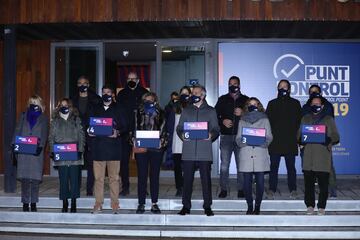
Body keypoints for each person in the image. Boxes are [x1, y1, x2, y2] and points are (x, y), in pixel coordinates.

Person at [176, 85, 220, 216]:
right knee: (187, 180)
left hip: (204, 151)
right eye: (193, 92)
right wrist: (182, 135)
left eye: (196, 93)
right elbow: (179, 128)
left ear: (203, 95)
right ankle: (186, 206)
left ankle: (207, 206)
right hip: (188, 150)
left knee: (206, 181)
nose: (194, 94)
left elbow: (216, 129)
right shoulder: (186, 110)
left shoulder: (211, 111)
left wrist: (210, 135)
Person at [89, 85, 128, 214]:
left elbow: (125, 126)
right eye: (104, 92)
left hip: (114, 149)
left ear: (113, 94)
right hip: (98, 148)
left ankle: (115, 203)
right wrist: (89, 131)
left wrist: (117, 132)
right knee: (98, 178)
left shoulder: (120, 108)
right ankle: (98, 203)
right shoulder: (95, 108)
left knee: (114, 178)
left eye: (108, 92)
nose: (106, 94)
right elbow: (88, 125)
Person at [298, 96, 340, 215]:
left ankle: (321, 206)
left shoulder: (328, 119)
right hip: (308, 157)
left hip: (322, 157)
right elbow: (298, 135)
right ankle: (310, 205)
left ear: (322, 106)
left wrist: (328, 139)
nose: (315, 105)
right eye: (313, 104)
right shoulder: (305, 118)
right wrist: (301, 140)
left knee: (323, 185)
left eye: (318, 104)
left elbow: (336, 136)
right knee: (309, 185)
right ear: (310, 105)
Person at [235, 98, 273, 215]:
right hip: (246, 153)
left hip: (260, 153)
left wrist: (263, 143)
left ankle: (258, 206)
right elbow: (238, 138)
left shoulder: (265, 119)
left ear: (259, 106)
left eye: (255, 104)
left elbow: (269, 137)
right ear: (247, 106)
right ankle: (249, 205)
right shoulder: (242, 120)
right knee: (246, 183)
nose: (253, 106)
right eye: (250, 104)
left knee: (260, 182)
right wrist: (243, 141)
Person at [266, 79, 302, 199]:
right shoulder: (271, 104)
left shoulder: (295, 103)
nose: (282, 89)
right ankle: (272, 189)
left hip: (290, 141)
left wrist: (299, 139)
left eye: (285, 87)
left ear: (289, 89)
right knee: (273, 167)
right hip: (275, 142)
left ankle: (293, 189)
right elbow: (267, 123)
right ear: (277, 89)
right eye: (280, 87)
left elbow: (299, 123)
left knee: (291, 167)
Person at [12, 95, 48, 212]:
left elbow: (44, 134)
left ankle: (33, 203)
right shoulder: (23, 116)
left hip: (36, 151)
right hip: (24, 151)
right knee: (25, 180)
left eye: (36, 102)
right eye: (31, 102)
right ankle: (25, 203)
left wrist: (41, 146)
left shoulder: (43, 118)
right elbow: (17, 130)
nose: (34, 104)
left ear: (40, 104)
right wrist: (14, 145)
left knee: (35, 180)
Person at [133, 92, 168, 214]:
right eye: (146, 100)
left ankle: (154, 203)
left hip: (156, 149)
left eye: (151, 100)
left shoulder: (161, 113)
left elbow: (165, 131)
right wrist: (134, 141)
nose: (148, 102)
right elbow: (133, 130)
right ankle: (141, 203)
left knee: (154, 176)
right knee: (142, 176)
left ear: (155, 101)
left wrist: (161, 142)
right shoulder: (137, 113)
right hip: (141, 148)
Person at [49, 98, 85, 213]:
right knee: (63, 180)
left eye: (66, 105)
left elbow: (81, 136)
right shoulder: (55, 121)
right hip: (61, 153)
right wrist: (52, 151)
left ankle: (74, 203)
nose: (64, 107)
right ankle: (65, 202)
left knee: (74, 180)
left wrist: (80, 150)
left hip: (74, 154)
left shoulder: (76, 119)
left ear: (70, 106)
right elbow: (51, 138)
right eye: (62, 105)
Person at [302, 84, 338, 198]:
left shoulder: (327, 106)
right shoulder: (305, 107)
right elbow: (303, 124)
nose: (313, 93)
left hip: (323, 142)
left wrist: (328, 139)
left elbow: (330, 124)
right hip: (309, 142)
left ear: (320, 93)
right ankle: (310, 194)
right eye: (311, 92)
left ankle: (332, 190)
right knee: (308, 170)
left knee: (328, 167)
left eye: (316, 91)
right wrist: (301, 140)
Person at [215, 76, 249, 198]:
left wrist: (243, 113)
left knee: (241, 164)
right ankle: (223, 189)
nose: (232, 85)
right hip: (226, 137)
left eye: (234, 83)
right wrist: (222, 121)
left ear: (239, 85)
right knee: (224, 164)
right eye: (230, 84)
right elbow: (215, 116)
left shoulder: (246, 100)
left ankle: (241, 189)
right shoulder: (222, 99)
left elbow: (253, 117)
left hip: (241, 137)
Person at [116, 72, 149, 196]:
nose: (131, 80)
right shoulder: (122, 94)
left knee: (142, 162)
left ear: (138, 80)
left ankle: (143, 188)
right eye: (129, 78)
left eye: (133, 78)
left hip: (140, 132)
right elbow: (118, 112)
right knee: (124, 161)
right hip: (125, 132)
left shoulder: (144, 93)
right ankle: (125, 187)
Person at [71, 76, 101, 196]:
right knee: (76, 162)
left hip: (91, 135)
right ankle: (75, 188)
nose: (82, 85)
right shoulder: (72, 99)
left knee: (91, 164)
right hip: (76, 135)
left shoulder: (96, 99)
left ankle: (89, 189)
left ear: (89, 85)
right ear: (77, 85)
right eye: (80, 83)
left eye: (85, 83)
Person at [166, 86, 192, 196]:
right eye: (182, 93)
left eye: (186, 93)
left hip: (189, 140)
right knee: (177, 167)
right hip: (177, 141)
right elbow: (169, 123)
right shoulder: (174, 107)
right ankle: (179, 187)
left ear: (190, 95)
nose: (184, 95)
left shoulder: (193, 107)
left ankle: (187, 187)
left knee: (187, 167)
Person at [163, 91, 180, 169]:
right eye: (173, 97)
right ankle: (169, 164)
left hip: (176, 129)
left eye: (176, 97)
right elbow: (165, 118)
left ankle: (175, 165)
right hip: (170, 129)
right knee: (170, 148)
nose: (174, 99)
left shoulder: (179, 106)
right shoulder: (168, 107)